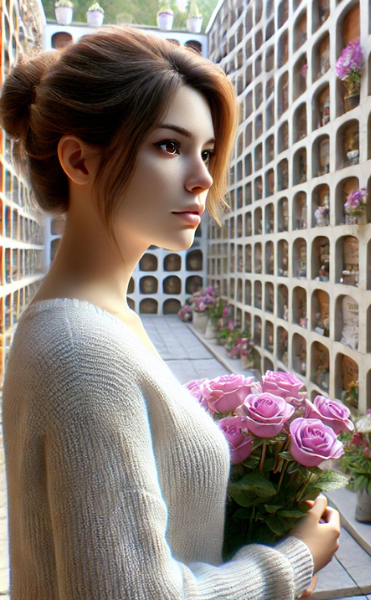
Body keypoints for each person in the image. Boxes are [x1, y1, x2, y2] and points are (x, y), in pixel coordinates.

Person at [0, 27, 340, 600]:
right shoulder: (84, 352)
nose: (204, 176)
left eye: (206, 151)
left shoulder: (97, 320)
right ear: (79, 160)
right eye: (168, 145)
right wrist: (294, 561)